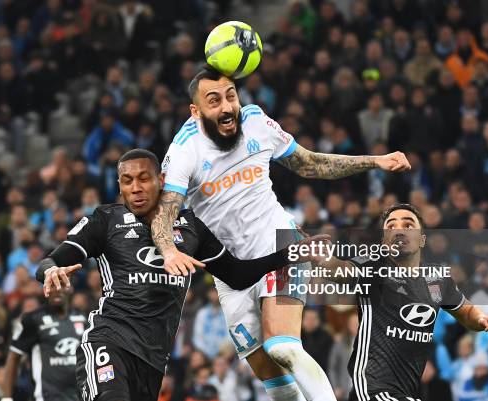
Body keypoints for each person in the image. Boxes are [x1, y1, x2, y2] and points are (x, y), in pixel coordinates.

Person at [151, 65, 411, 401]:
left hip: (280, 242)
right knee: (271, 378)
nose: (227, 106)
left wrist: (374, 161)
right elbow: (165, 210)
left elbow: (309, 163)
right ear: (196, 110)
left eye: (231, 96)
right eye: (214, 100)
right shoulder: (186, 149)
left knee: (282, 347)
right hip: (230, 271)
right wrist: (168, 249)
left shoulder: (256, 121)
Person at [36, 149, 323, 401]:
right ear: (120, 186)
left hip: (153, 360)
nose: (136, 188)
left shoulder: (190, 227)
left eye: (143, 178)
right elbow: (51, 260)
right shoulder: (105, 220)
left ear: (161, 180)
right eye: (127, 181)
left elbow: (237, 275)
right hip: (108, 342)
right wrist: (51, 271)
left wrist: (291, 254)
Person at [312, 203, 488, 401]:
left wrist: (483, 319)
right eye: (391, 226)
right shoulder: (372, 266)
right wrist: (321, 259)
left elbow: (467, 313)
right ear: (384, 241)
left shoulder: (438, 279)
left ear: (422, 240)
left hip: (407, 393)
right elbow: (340, 269)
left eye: (408, 225)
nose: (399, 230)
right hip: (371, 391)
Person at [2, 291, 86, 401]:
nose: (57, 290)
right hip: (47, 397)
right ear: (45, 290)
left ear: (70, 288)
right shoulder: (32, 319)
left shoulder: (83, 318)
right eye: (52, 285)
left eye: (61, 284)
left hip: (80, 396)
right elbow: (13, 356)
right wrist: (7, 398)